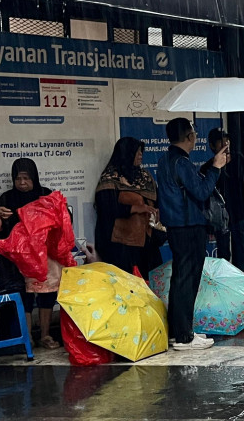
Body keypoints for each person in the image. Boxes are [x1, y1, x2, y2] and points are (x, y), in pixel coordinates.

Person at [157, 118, 228, 351]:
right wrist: (216, 168)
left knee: (180, 279)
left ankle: (179, 331)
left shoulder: (166, 160)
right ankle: (184, 337)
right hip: (189, 226)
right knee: (187, 281)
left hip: (176, 227)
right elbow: (201, 192)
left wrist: (209, 167)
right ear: (189, 137)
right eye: (194, 133)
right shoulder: (182, 163)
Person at [0, 158, 59, 348]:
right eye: (18, 179)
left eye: (26, 178)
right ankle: (28, 338)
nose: (22, 183)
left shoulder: (46, 195)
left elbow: (61, 222)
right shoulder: (7, 198)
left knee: (47, 295)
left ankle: (45, 335)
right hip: (18, 258)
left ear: (34, 177)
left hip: (45, 256)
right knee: (25, 295)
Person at [94, 137, 162, 279]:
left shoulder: (146, 176)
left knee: (149, 284)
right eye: (136, 152)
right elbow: (105, 209)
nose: (140, 155)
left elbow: (158, 201)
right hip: (122, 246)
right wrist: (136, 208)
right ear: (126, 154)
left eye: (141, 152)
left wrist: (154, 212)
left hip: (147, 244)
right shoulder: (111, 178)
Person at [208, 128, 244, 276]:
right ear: (212, 146)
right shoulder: (210, 167)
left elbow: (242, 183)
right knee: (224, 254)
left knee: (243, 252)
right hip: (222, 217)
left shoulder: (238, 159)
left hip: (240, 212)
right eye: (221, 141)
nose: (225, 144)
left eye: (227, 140)